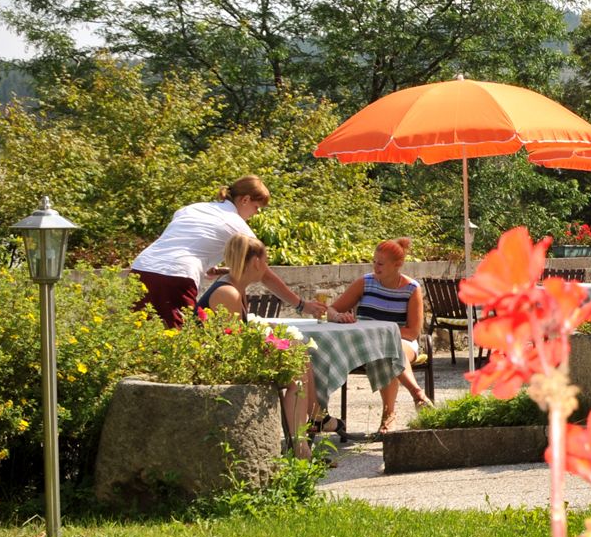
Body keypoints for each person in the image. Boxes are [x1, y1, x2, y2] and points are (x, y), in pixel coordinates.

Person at [131, 176, 327, 328]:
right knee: (175, 340)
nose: (256, 213)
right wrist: (301, 305)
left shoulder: (193, 208)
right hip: (176, 275)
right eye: (256, 207)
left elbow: (180, 242)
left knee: (142, 331)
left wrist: (209, 265)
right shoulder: (236, 225)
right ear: (245, 199)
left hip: (141, 268)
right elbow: (263, 273)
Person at [192, 233, 321, 458]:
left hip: (225, 356)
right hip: (216, 363)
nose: (267, 266)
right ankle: (303, 446)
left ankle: (314, 425)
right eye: (266, 260)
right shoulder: (228, 292)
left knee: (299, 354)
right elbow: (233, 346)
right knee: (296, 369)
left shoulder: (234, 287)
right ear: (256, 262)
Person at [329, 237, 432, 434]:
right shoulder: (365, 283)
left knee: (388, 349)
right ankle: (416, 395)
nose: (376, 267)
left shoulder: (412, 289)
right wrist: (339, 316)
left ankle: (389, 414)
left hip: (402, 342)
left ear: (398, 265)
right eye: (374, 262)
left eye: (381, 263)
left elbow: (412, 331)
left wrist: (382, 335)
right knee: (384, 351)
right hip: (365, 346)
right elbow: (332, 309)